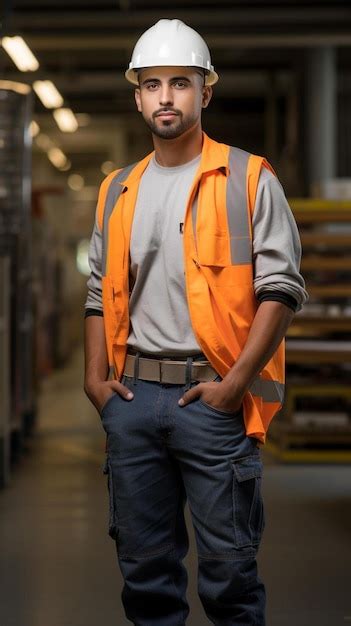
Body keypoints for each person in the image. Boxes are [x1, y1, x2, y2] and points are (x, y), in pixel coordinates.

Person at [84, 18, 308, 626]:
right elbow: (98, 293)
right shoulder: (117, 189)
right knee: (146, 576)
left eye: (179, 83)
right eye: (152, 84)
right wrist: (96, 380)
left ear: (205, 91)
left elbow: (282, 290)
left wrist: (235, 385)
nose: (165, 96)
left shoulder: (248, 177)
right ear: (137, 95)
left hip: (212, 401)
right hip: (131, 401)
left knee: (230, 576)